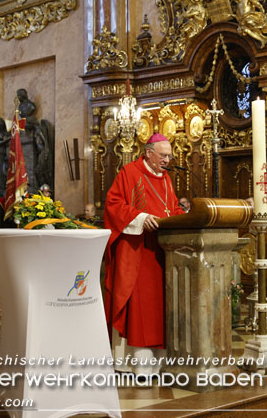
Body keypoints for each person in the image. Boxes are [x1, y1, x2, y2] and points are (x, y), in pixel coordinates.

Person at [103, 133, 184, 374]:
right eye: (163, 155)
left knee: (160, 308)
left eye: (169, 156)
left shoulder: (166, 178)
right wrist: (142, 217)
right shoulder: (130, 172)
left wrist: (184, 218)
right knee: (141, 307)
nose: (167, 160)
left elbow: (173, 207)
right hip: (138, 250)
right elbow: (113, 204)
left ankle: (160, 363)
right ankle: (139, 365)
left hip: (163, 251)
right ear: (149, 152)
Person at [0, 117, 11, 198]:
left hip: (7, 153)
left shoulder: (7, 132)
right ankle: (1, 190)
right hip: (0, 153)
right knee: (0, 173)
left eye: (1, 125)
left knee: (7, 171)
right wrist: (9, 138)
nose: (0, 127)